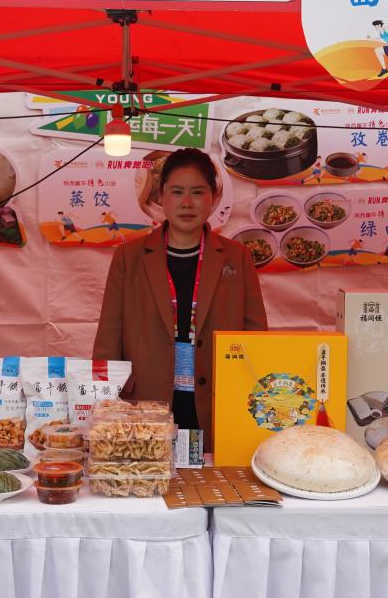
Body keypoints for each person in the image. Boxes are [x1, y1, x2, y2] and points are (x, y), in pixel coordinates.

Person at [95, 148, 268, 448]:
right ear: (161, 196)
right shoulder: (129, 257)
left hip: (216, 400)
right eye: (177, 192)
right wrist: (105, 409)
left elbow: (256, 336)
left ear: (213, 197)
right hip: (145, 401)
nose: (187, 203)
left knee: (210, 473)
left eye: (197, 192)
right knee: (149, 470)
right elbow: (108, 337)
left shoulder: (237, 257)